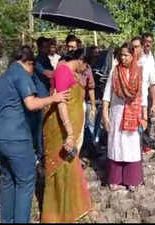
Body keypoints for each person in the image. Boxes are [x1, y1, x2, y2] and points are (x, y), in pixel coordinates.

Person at [0, 46, 69, 223]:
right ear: (29, 63)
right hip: (17, 137)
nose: (31, 73)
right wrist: (53, 98)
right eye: (32, 69)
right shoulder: (21, 74)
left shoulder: (4, 77)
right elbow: (31, 103)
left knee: (8, 180)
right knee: (26, 182)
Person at [41, 49, 92, 223]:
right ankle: (58, 212)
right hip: (60, 129)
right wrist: (69, 133)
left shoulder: (72, 73)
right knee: (60, 166)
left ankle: (71, 208)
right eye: (86, 65)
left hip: (69, 128)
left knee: (70, 166)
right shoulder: (63, 70)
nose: (86, 69)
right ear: (80, 59)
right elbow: (61, 103)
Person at [102, 42, 147, 192]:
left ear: (133, 56)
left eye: (126, 55)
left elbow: (143, 96)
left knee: (131, 146)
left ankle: (131, 179)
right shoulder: (115, 72)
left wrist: (144, 116)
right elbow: (107, 94)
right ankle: (115, 179)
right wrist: (105, 116)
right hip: (116, 113)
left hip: (133, 114)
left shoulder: (139, 72)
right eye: (121, 55)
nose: (123, 58)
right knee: (116, 144)